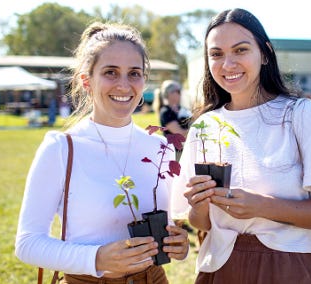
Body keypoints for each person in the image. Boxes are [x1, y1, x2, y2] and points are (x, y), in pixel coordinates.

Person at [171, 8, 311, 284]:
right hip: (219, 269)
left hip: (290, 269)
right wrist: (199, 206)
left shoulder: (301, 115)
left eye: (240, 50)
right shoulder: (204, 127)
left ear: (265, 53)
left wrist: (261, 206)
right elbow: (201, 223)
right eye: (216, 54)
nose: (227, 64)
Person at [15, 22, 189, 283]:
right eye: (110, 72)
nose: (123, 85)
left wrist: (180, 244)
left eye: (134, 73)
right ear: (87, 80)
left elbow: (170, 228)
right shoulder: (61, 149)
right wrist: (96, 258)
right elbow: (27, 243)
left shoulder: (159, 148)